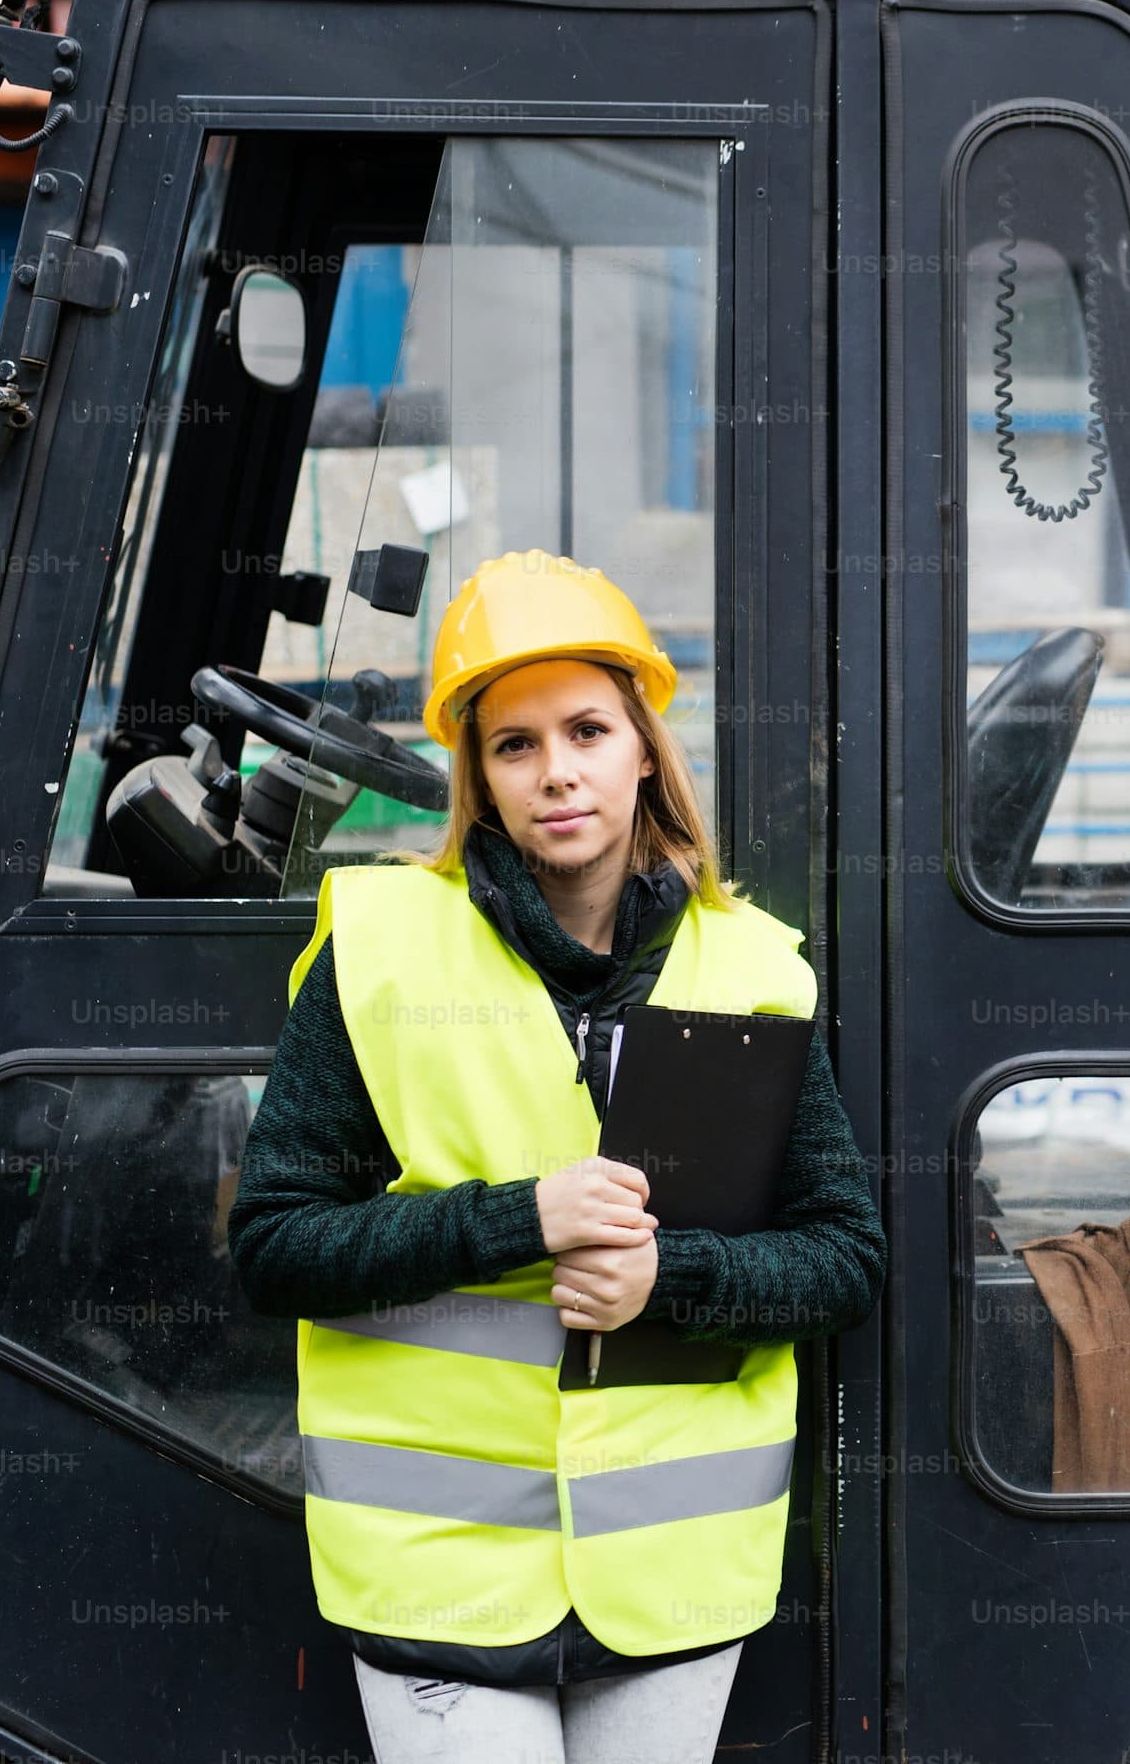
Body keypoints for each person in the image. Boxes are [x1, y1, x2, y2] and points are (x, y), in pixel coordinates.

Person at [230, 550, 883, 1764]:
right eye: (514, 744)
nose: (557, 770)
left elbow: (844, 1255)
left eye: (586, 728)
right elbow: (273, 1245)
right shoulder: (380, 957)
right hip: (442, 1573)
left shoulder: (752, 972)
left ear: (644, 748)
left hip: (669, 1577)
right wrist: (513, 1218)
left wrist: (668, 1276)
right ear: (476, 775)